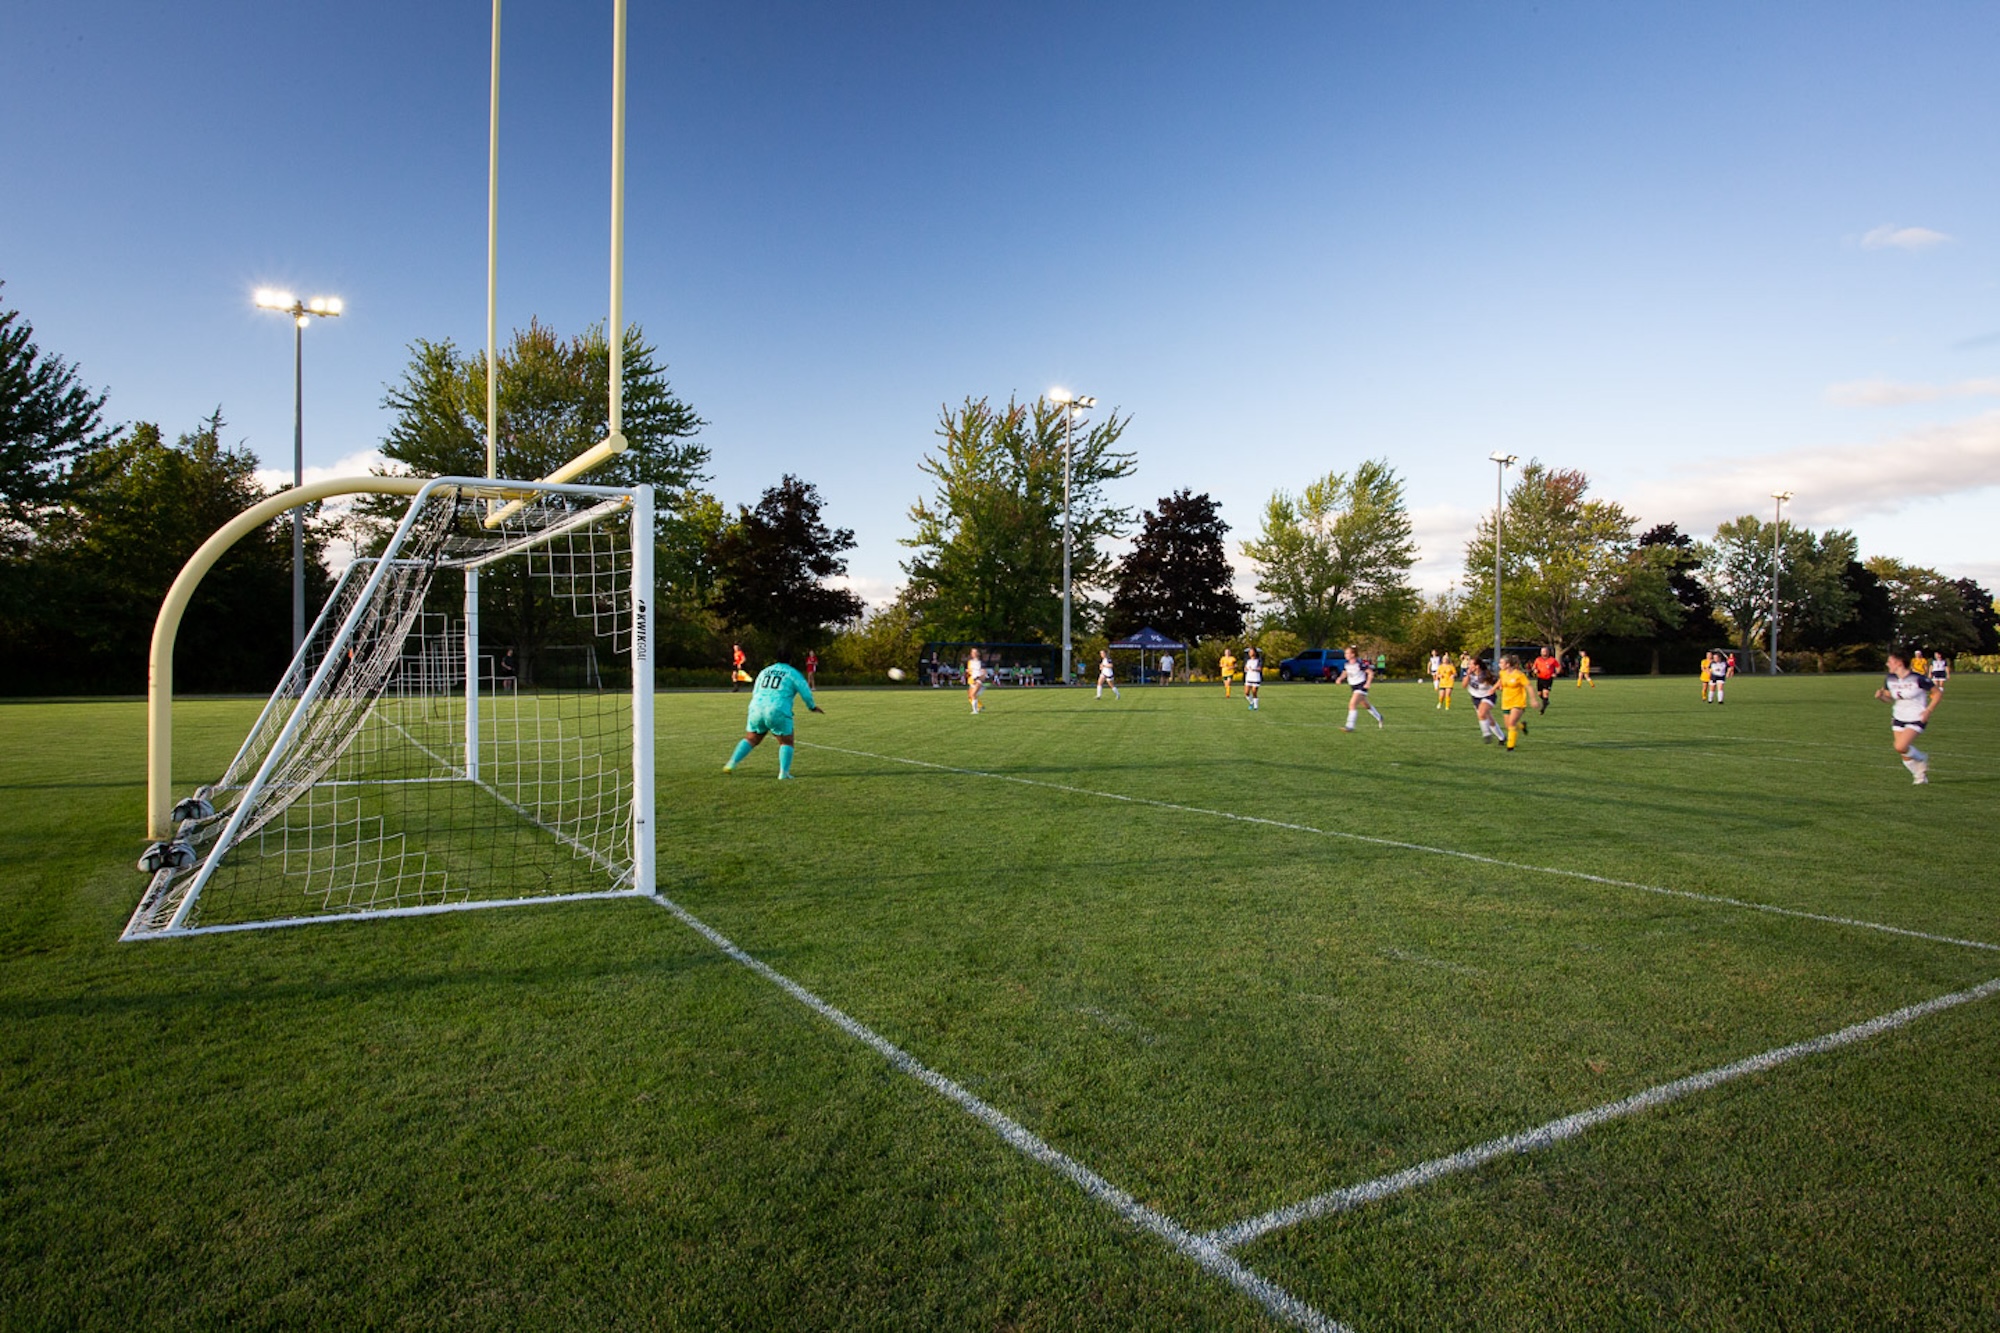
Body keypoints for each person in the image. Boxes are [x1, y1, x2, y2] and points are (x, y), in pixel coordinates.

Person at [723, 654, 824, 780]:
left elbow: (756, 691)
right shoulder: (792, 673)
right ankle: (784, 773)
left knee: (751, 739)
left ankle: (731, 763)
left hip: (757, 707)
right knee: (786, 741)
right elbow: (805, 691)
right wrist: (812, 706)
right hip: (777, 709)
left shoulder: (765, 671)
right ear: (790, 659)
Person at [1876, 647, 1942, 784]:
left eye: (1890, 661)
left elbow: (1937, 693)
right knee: (1903, 751)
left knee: (1900, 746)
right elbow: (1890, 698)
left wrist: (1928, 710)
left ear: (1899, 663)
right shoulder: (1890, 678)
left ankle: (1922, 758)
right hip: (1898, 717)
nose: (1887, 664)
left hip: (1916, 717)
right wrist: (1881, 697)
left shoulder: (1917, 678)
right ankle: (1919, 776)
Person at [1342, 645, 1383, 731]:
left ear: (1353, 654)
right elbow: (1345, 672)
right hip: (1354, 687)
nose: (1345, 654)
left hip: (1361, 686)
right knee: (1365, 705)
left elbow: (1370, 673)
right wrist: (1340, 678)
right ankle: (1379, 717)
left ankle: (1350, 726)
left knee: (1352, 704)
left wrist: (1368, 683)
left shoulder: (1359, 663)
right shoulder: (1347, 663)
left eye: (1347, 653)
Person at [1498, 653, 1532, 750]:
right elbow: (1501, 681)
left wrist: (1533, 700)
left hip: (1518, 702)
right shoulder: (1502, 673)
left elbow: (1528, 686)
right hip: (1506, 702)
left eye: (1501, 663)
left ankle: (1510, 746)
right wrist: (1496, 688)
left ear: (1508, 664)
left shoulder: (1519, 675)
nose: (1499, 664)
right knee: (1508, 726)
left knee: (1512, 723)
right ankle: (1521, 726)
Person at [1465, 658, 1500, 742]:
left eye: (1471, 664)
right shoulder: (1469, 674)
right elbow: (1464, 685)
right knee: (1489, 719)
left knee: (1481, 713)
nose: (1469, 666)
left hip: (1488, 696)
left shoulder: (1485, 675)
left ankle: (1486, 734)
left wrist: (1496, 688)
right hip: (1476, 698)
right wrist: (1467, 676)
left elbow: (1498, 682)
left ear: (1477, 666)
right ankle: (1502, 737)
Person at [1531, 647, 1560, 713]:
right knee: (1539, 693)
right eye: (1543, 651)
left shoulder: (1552, 660)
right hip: (1540, 678)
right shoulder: (1538, 659)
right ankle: (1546, 701)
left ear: (1548, 652)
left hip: (1548, 678)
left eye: (1545, 651)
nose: (1544, 652)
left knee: (1545, 693)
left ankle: (1543, 709)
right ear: (1541, 652)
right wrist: (1535, 670)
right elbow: (1534, 667)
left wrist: (1556, 673)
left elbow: (1558, 666)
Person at [966, 649, 988, 714]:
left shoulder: (981, 662)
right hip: (972, 680)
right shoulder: (970, 662)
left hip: (978, 680)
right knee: (970, 696)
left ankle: (975, 710)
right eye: (972, 652)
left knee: (973, 694)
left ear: (978, 653)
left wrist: (979, 679)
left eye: (975, 652)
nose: (973, 653)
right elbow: (971, 672)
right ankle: (979, 708)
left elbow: (984, 673)